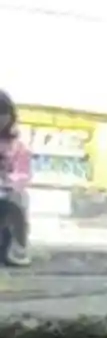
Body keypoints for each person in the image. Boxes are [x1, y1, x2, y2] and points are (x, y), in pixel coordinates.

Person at [0, 89, 32, 266]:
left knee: (19, 199)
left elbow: (23, 173)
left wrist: (9, 182)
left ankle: (18, 246)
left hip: (6, 191)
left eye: (2, 114)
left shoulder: (17, 146)